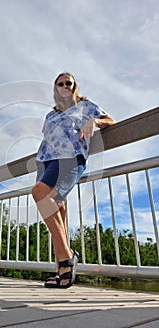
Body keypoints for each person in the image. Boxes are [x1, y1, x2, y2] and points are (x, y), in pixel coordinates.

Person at [32, 72, 116, 289]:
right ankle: (62, 271)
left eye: (68, 83)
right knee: (56, 209)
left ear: (74, 86)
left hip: (70, 158)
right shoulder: (50, 115)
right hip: (46, 161)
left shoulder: (85, 106)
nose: (64, 86)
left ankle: (67, 257)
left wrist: (94, 121)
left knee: (39, 193)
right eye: (60, 84)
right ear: (55, 88)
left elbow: (110, 120)